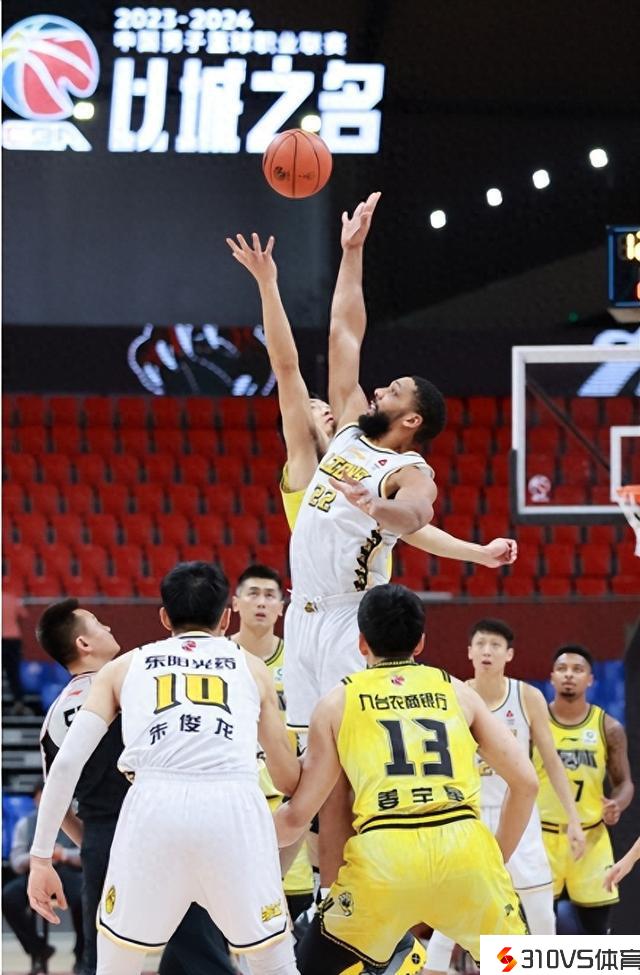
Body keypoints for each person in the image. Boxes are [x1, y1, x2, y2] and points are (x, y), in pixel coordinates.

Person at [28, 562, 301, 975]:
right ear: (226, 619)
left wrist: (40, 859)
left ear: (164, 617)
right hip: (233, 808)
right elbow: (286, 777)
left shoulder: (124, 667)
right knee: (271, 962)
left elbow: (65, 765)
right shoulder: (252, 667)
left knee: (115, 965)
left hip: (151, 811)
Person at [273, 584, 536, 974]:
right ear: (421, 642)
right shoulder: (457, 691)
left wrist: (246, 844)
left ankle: (395, 956)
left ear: (362, 643)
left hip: (384, 857)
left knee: (310, 968)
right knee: (520, 965)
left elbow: (299, 816)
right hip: (463, 846)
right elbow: (527, 783)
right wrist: (495, 858)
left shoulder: (336, 702)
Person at [36, 598, 235, 975]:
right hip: (163, 827)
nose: (108, 627)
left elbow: (55, 799)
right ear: (83, 644)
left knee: (104, 959)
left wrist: (94, 839)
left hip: (103, 841)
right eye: (98, 623)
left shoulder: (53, 716)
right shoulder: (137, 686)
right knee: (201, 950)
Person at [424, 618, 586, 975]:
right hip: (468, 815)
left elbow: (551, 760)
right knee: (453, 911)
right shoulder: (452, 696)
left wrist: (573, 819)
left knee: (541, 912)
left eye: (495, 645)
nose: (487, 651)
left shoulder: (527, 697)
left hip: (519, 812)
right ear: (469, 652)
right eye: (481, 644)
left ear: (509, 654)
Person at [230, 563, 315, 918]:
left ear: (282, 607)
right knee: (230, 913)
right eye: (253, 594)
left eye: (270, 596)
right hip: (232, 802)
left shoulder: (299, 661)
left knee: (287, 918)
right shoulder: (218, 659)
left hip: (286, 806)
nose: (261, 602)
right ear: (235, 603)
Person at [534, 644, 634, 934]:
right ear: (552, 677)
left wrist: (617, 804)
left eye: (577, 670)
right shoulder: (533, 725)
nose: (569, 675)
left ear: (590, 679)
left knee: (598, 933)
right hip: (541, 837)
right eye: (562, 669)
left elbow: (624, 782)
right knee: (535, 935)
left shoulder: (609, 727)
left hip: (591, 838)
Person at [2, 778, 84, 974]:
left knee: (85, 898)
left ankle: (82, 954)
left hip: (67, 872)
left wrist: (63, 853)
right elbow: (16, 860)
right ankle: (38, 949)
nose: (49, 801)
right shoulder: (26, 823)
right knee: (8, 897)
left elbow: (88, 853)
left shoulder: (75, 819)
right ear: (36, 799)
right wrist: (40, 856)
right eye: (44, 796)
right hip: (35, 873)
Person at [2, 585, 31, 715]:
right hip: (13, 639)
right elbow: (24, 614)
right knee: (13, 673)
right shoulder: (12, 598)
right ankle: (18, 702)